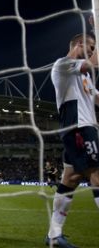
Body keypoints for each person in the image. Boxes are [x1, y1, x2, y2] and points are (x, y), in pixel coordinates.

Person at [46, 33, 99, 248]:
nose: (94, 51)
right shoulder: (63, 65)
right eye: (92, 47)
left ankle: (54, 235)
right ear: (79, 45)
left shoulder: (83, 76)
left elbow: (96, 97)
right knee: (97, 174)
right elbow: (94, 63)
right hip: (79, 128)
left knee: (71, 180)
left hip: (83, 129)